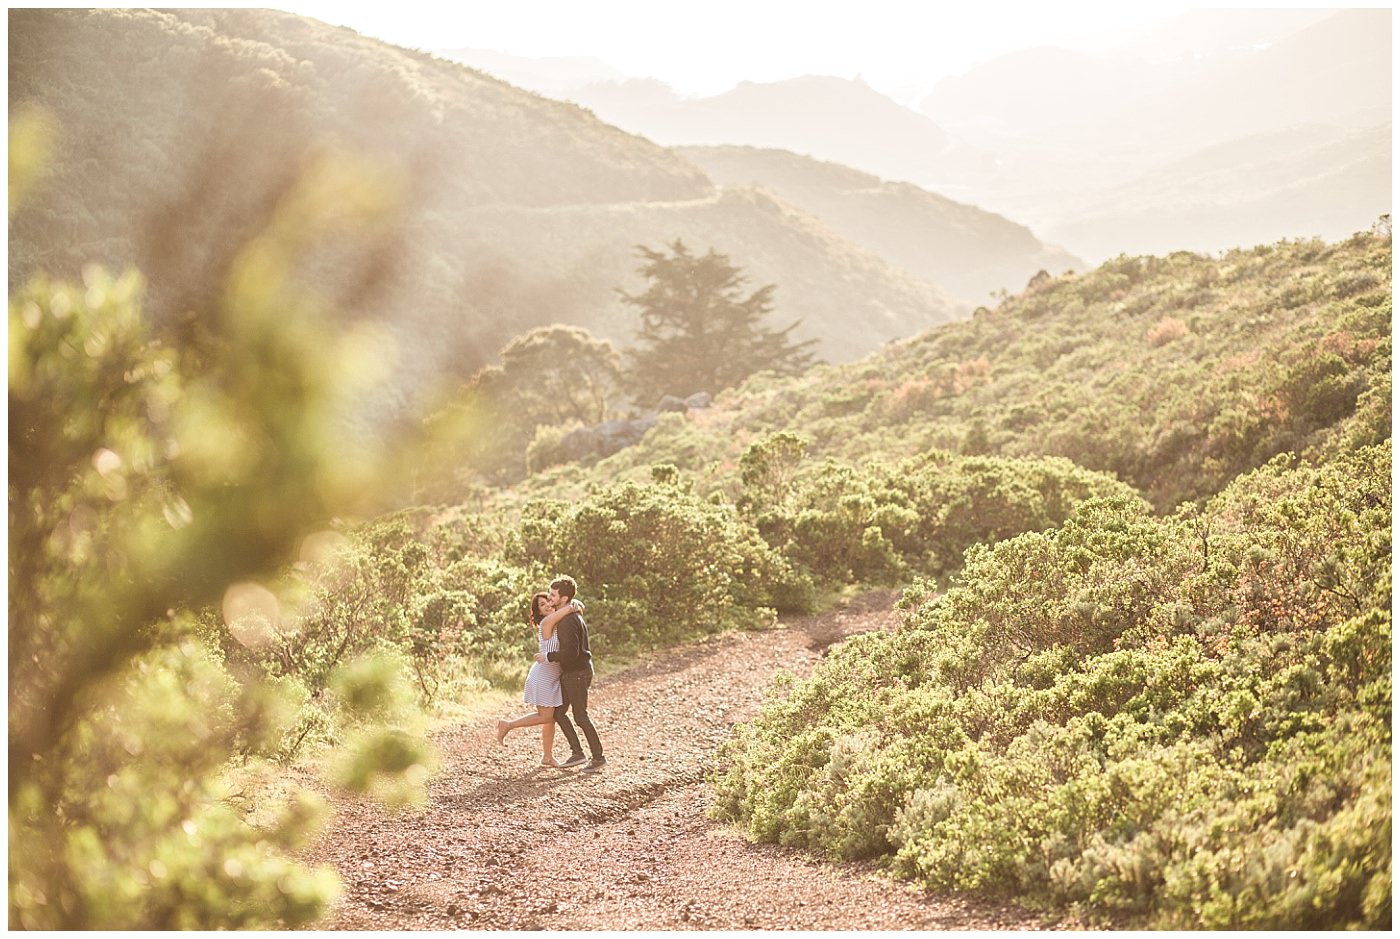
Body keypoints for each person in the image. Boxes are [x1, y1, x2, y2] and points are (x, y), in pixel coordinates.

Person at [495, 591, 584, 767]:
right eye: (543, 605)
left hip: (552, 676)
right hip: (543, 676)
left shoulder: (558, 621)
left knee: (550, 719)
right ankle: (508, 725)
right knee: (546, 717)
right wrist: (569, 603)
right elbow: (573, 607)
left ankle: (547, 757)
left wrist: (572, 604)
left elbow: (578, 606)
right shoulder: (547, 622)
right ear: (540, 612)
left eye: (549, 601)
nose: (548, 605)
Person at [540, 575, 604, 772]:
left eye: (553, 595)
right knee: (559, 713)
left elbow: (571, 653)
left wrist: (548, 656)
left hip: (577, 673)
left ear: (564, 598)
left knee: (580, 716)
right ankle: (577, 753)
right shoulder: (570, 615)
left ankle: (598, 757)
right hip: (574, 673)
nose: (550, 598)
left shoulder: (568, 621)